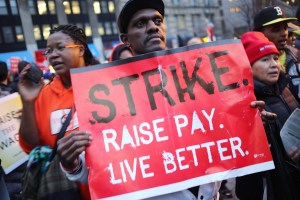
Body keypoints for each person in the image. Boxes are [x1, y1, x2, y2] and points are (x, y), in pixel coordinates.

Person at [57, 1, 277, 200]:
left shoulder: (199, 77)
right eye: (140, 23)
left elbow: (220, 133)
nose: (152, 27)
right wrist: (71, 162)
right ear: (126, 40)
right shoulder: (103, 93)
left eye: (157, 20)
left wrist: (248, 123)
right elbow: (93, 171)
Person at [17, 24, 96, 200]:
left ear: (81, 49)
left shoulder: (105, 81)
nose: (53, 55)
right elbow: (31, 146)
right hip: (63, 191)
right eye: (49, 51)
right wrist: (28, 102)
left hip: (109, 188)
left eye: (60, 48)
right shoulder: (44, 93)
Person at [236, 31, 300, 200]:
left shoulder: (285, 87)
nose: (274, 65)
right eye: (265, 60)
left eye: (275, 58)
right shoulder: (247, 105)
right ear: (248, 66)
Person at [253, 6, 300, 101]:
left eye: (285, 28)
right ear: (259, 33)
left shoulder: (298, 57)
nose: (284, 33)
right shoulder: (251, 67)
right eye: (276, 29)